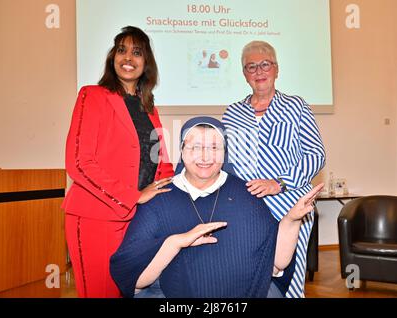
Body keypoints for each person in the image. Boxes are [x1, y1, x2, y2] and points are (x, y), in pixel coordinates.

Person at [109, 117, 323, 298]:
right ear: (182, 152)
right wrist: (176, 242)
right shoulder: (159, 199)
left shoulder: (247, 196)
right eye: (196, 147)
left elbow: (276, 265)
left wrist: (291, 221)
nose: (205, 156)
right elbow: (135, 281)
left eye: (214, 147)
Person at [62, 26, 174, 298]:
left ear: (146, 62)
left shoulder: (149, 107)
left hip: (138, 221)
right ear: (113, 57)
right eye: (122, 50)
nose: (128, 58)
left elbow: (162, 163)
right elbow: (78, 162)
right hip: (95, 218)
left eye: (137, 52)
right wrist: (133, 196)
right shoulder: (93, 95)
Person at [222, 41, 326, 298]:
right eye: (251, 67)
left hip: (291, 206)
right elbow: (226, 163)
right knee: (250, 276)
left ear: (276, 69)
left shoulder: (296, 106)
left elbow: (316, 155)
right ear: (244, 74)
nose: (259, 71)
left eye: (265, 64)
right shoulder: (232, 113)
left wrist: (279, 183)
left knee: (289, 280)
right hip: (247, 210)